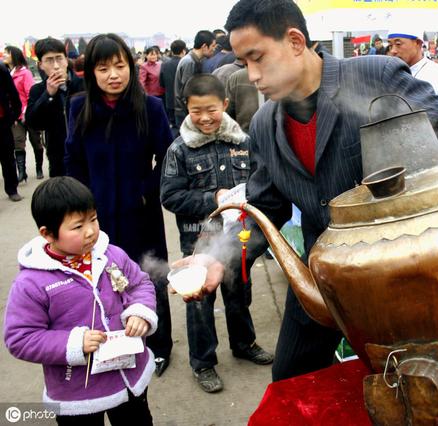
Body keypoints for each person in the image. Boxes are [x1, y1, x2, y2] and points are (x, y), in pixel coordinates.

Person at [176, 0, 438, 383]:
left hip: (396, 274)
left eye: (257, 57)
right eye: (243, 61)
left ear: (295, 41)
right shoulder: (264, 124)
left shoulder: (373, 76)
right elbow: (263, 206)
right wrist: (219, 257)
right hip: (323, 278)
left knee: (415, 379)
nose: (251, 74)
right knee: (290, 376)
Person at [4, 176, 157, 424]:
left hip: (129, 376)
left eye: (94, 219)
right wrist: (73, 342)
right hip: (77, 393)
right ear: (48, 234)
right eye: (77, 226)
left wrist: (140, 311)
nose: (90, 231)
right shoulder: (31, 283)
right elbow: (20, 338)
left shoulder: (112, 254)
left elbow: (140, 283)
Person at [64, 33, 174, 377]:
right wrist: (82, 207)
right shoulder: (79, 108)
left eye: (119, 65)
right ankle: (112, 342)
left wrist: (146, 190)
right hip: (97, 218)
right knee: (102, 280)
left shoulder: (150, 107)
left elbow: (168, 157)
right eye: (103, 67)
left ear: (131, 66)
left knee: (149, 277)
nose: (113, 74)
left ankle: (159, 345)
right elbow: (73, 159)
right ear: (91, 73)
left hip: (141, 214)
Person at [160, 74, 273, 393]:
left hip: (239, 239)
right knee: (199, 299)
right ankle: (203, 362)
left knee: (239, 294)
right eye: (196, 111)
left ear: (224, 104)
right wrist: (213, 198)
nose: (205, 117)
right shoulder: (178, 150)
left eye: (211, 109)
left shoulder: (244, 143)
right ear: (187, 109)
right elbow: (170, 196)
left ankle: (244, 344)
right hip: (198, 241)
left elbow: (260, 185)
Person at [25, 37, 84, 177]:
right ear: (40, 64)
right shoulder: (38, 90)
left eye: (59, 58)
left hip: (85, 152)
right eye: (49, 60)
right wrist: (48, 95)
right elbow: (33, 122)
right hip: (57, 155)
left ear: (66, 59)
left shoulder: (84, 85)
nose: (56, 65)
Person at [3, 45, 44, 181]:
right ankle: (22, 172)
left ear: (14, 55)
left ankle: (39, 168)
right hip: (16, 116)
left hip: (29, 113)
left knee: (36, 142)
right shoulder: (7, 73)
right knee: (18, 143)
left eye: (7, 54)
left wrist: (26, 111)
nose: (4, 56)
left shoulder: (25, 73)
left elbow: (30, 94)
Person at [388, 30, 438, 103]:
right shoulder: (389, 74)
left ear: (418, 43)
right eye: (390, 46)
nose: (393, 51)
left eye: (398, 44)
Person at [175, 30, 215, 128]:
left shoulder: (194, 60)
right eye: (213, 46)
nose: (214, 49)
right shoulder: (190, 62)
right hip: (185, 113)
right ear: (205, 46)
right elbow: (186, 92)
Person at [0, 62, 22, 201]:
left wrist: (14, 114)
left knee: (7, 157)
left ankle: (12, 189)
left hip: (2, 123)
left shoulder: (1, 69)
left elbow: (12, 93)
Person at [160, 39, 187, 133]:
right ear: (183, 50)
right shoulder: (185, 63)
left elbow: (161, 83)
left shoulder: (165, 64)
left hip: (169, 100)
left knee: (173, 127)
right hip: (182, 102)